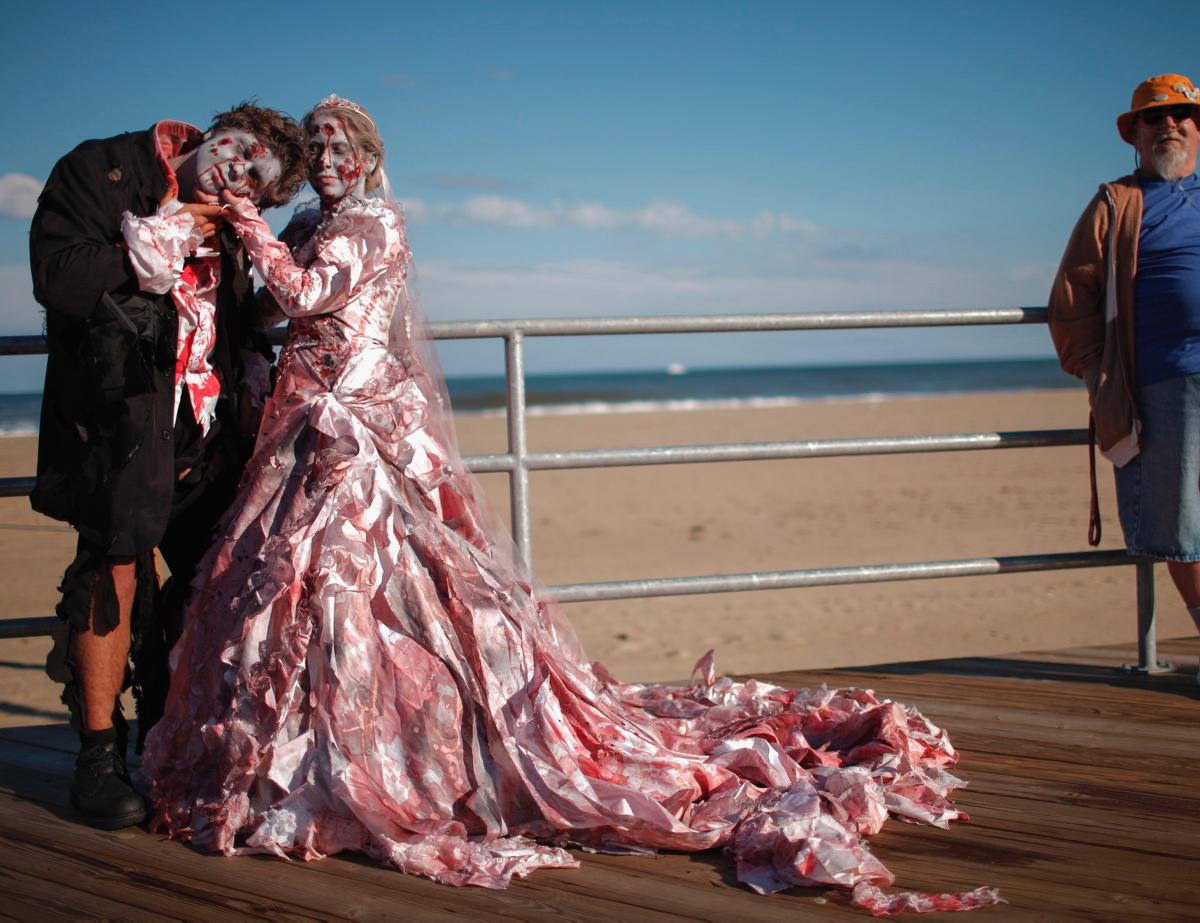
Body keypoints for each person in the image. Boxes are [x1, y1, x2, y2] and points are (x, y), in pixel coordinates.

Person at [140, 95, 999, 915]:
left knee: (372, 583)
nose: (328, 159)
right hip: (304, 423)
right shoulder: (304, 224)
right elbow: (271, 311)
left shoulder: (375, 223)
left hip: (363, 432)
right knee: (294, 592)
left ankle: (394, 754)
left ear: (367, 161)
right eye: (318, 145)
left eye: (342, 147)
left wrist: (245, 223)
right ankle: (305, 756)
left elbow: (306, 295)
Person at [29, 103, 307, 830]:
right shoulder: (100, 168)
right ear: (213, 132)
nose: (236, 172)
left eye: (255, 179)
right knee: (110, 571)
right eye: (238, 151)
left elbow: (238, 321)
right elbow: (57, 279)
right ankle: (98, 758)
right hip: (119, 421)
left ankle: (169, 741)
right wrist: (168, 230)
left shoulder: (233, 221)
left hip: (204, 435)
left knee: (211, 583)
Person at [1049, 74, 1200, 674]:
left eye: (1182, 114)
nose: (1169, 125)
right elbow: (1070, 301)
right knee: (1181, 524)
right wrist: (1100, 376)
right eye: (1153, 118)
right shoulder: (1117, 202)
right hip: (1166, 381)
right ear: (1134, 134)